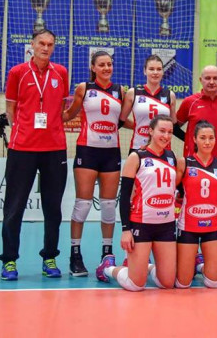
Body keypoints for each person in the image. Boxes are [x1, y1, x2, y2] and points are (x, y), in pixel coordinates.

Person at [0, 29, 69, 281]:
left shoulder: (60, 73)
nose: (46, 48)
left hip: (54, 149)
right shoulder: (17, 72)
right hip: (22, 149)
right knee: (14, 207)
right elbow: (10, 109)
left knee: (53, 208)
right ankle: (9, 260)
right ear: (32, 45)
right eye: (42, 43)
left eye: (50, 44)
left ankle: (49, 257)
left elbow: (60, 107)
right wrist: (25, 129)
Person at [62, 51, 126, 278]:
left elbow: (124, 120)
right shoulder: (84, 88)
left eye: (109, 64)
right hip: (87, 151)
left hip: (111, 153)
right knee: (83, 204)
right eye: (102, 65)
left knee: (108, 207)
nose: (107, 68)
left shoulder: (121, 91)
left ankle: (107, 253)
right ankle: (75, 255)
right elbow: (68, 115)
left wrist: (150, 126)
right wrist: (43, 113)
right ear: (93, 67)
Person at [98, 115, 178, 291]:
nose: (166, 136)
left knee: (167, 283)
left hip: (166, 225)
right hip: (141, 224)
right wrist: (126, 230)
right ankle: (108, 268)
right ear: (150, 131)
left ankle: (145, 266)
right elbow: (124, 196)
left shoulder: (172, 157)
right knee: (136, 285)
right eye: (162, 131)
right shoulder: (137, 156)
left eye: (170, 132)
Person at [174, 121, 217, 288]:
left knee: (214, 282)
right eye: (203, 138)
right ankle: (192, 262)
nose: (207, 142)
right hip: (188, 226)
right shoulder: (184, 162)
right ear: (194, 139)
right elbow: (170, 188)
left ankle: (199, 265)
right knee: (183, 283)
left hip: (212, 226)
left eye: (211, 138)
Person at [177, 65, 217, 158]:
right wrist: (190, 141)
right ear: (201, 80)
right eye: (207, 78)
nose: (211, 82)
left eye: (215, 78)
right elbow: (174, 128)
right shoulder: (189, 102)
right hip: (194, 161)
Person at [120, 55, 176, 152]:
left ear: (163, 72)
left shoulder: (170, 95)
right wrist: (138, 127)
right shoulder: (133, 93)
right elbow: (121, 120)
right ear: (145, 71)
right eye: (151, 69)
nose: (155, 72)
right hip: (138, 147)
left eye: (159, 69)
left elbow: (174, 125)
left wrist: (189, 138)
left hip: (163, 150)